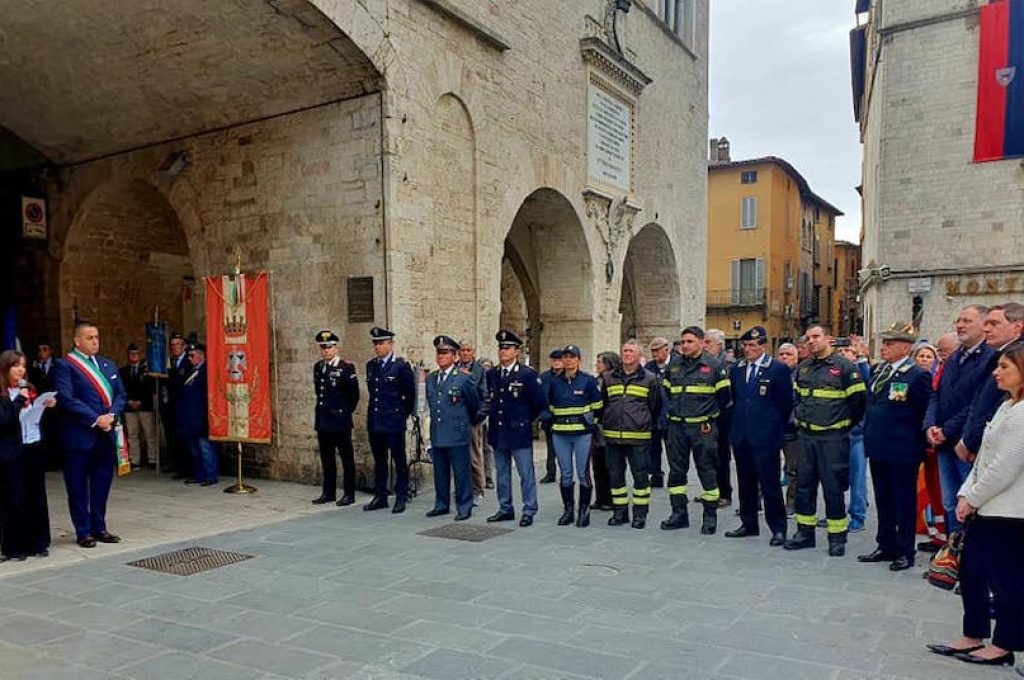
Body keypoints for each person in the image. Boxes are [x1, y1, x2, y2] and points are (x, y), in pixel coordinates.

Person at [927, 341, 1024, 667]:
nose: (997, 372)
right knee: (971, 571)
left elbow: (1005, 468)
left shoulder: (1023, 414)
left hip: (1009, 511)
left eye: (1005, 367)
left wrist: (973, 497)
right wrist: (967, 493)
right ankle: (972, 634)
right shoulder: (1006, 406)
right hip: (986, 505)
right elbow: (984, 457)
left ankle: (1005, 644)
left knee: (1005, 579)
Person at [784, 324, 866, 556]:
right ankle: (805, 533)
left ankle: (837, 538)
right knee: (804, 486)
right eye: (808, 338)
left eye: (816, 337)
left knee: (833, 488)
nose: (811, 341)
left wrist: (842, 426)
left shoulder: (845, 368)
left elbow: (858, 403)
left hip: (833, 438)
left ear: (828, 339)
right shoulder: (804, 368)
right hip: (806, 437)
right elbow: (797, 398)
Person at [857, 323, 932, 571]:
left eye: (890, 344)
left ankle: (905, 550)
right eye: (884, 343)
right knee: (884, 499)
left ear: (905, 347)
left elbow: (923, 412)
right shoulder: (880, 370)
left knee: (903, 502)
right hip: (878, 446)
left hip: (903, 449)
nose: (884, 347)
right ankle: (885, 544)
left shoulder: (917, 375)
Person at [53, 321, 127, 548]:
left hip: (105, 435)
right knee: (77, 486)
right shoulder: (65, 365)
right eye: (89, 337)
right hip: (79, 436)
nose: (94, 341)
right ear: (77, 341)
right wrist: (96, 419)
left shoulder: (108, 365)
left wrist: (112, 415)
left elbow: (121, 395)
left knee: (102, 482)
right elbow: (66, 398)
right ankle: (83, 530)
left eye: (96, 337)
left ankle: (99, 526)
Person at [924, 305, 995, 535]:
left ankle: (966, 558)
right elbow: (936, 393)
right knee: (949, 503)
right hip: (944, 443)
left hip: (966, 444)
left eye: (967, 321)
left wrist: (947, 429)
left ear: (983, 326)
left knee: (968, 504)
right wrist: (930, 426)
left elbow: (976, 404)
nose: (960, 325)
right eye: (958, 320)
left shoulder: (990, 358)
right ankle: (951, 557)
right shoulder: (954, 357)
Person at [725, 326, 792, 545]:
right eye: (745, 345)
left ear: (763, 346)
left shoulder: (777, 369)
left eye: (752, 345)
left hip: (766, 437)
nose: (748, 349)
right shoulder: (736, 369)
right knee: (746, 482)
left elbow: (785, 404)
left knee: (770, 483)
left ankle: (778, 528)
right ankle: (749, 523)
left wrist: (775, 431)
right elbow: (735, 399)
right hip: (742, 435)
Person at [660, 326, 731, 534]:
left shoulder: (714, 366)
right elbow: (665, 392)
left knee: (707, 471)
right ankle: (679, 513)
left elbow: (724, 397)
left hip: (702, 427)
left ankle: (710, 517)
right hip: (677, 427)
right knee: (676, 472)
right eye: (683, 342)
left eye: (690, 341)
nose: (685, 345)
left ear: (701, 342)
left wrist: (707, 414)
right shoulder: (674, 365)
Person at [484, 330, 546, 527]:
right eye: (501, 348)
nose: (503, 352)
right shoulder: (492, 374)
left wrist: (525, 420)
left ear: (517, 351)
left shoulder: (528, 375)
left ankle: (529, 509)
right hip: (498, 431)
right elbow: (490, 399)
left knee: (525, 473)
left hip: (518, 431)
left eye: (507, 348)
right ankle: (505, 508)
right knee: (502, 473)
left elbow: (539, 403)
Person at [0, 350, 54, 561]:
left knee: (36, 495)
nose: (21, 370)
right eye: (16, 366)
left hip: (32, 447)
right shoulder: (4, 395)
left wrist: (45, 405)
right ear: (5, 369)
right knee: (14, 498)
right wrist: (16, 403)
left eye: (23, 365)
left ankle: (38, 542)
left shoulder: (29, 390)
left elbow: (34, 418)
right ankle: (15, 545)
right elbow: (4, 421)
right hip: (11, 452)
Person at [601, 339, 661, 529]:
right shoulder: (609, 377)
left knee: (640, 477)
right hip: (613, 437)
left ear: (638, 356)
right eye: (624, 351)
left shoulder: (650, 378)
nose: (627, 354)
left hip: (639, 437)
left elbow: (655, 406)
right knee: (616, 477)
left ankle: (640, 515)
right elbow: (605, 403)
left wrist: (643, 422)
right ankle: (620, 513)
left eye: (631, 351)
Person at [957, 304, 1024, 467]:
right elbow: (979, 401)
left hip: (993, 449)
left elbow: (993, 405)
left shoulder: (1019, 356)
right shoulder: (996, 355)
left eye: (994, 324)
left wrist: (971, 441)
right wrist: (966, 439)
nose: (986, 329)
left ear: (1017, 326)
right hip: (975, 443)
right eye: (986, 323)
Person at [545, 344, 602, 526]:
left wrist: (590, 422)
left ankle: (583, 511)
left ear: (579, 360)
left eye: (572, 357)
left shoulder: (588, 381)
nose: (568, 360)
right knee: (566, 474)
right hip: (560, 434)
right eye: (566, 357)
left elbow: (598, 406)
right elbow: (549, 405)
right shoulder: (554, 381)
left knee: (583, 473)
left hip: (582, 434)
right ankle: (568, 509)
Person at [425, 335, 480, 521]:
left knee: (461, 472)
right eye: (439, 353)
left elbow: (474, 404)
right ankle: (441, 504)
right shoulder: (432, 378)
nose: (441, 356)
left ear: (455, 356)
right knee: (440, 472)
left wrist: (465, 423)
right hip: (439, 432)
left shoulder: (464, 378)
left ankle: (464, 506)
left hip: (457, 432)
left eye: (445, 353)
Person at [364, 326, 416, 513]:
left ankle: (401, 495)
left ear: (390, 344)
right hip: (376, 420)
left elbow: (409, 394)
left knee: (399, 460)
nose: (378, 347)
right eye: (376, 343)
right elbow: (373, 393)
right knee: (379, 461)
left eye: (382, 343)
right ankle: (381, 495)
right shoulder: (371, 365)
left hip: (394, 420)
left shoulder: (401, 366)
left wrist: (403, 414)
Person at [312, 330, 360, 506]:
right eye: (323, 348)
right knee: (327, 458)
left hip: (340, 421)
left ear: (336, 348)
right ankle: (328, 492)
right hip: (323, 420)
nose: (326, 351)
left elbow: (353, 395)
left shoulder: (346, 367)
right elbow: (319, 392)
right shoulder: (318, 367)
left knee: (346, 458)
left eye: (329, 347)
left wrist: (344, 411)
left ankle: (349, 493)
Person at [834, 337, 872, 533]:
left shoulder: (860, 370)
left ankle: (858, 515)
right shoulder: (834, 372)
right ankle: (835, 512)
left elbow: (867, 379)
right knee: (834, 477)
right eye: (840, 352)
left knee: (857, 477)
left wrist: (860, 356)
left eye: (847, 351)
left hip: (856, 433)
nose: (843, 355)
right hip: (837, 433)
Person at [178, 343, 218, 486]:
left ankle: (210, 475)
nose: (189, 359)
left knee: (205, 447)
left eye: (192, 355)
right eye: (189, 355)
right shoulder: (191, 371)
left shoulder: (207, 370)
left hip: (202, 416)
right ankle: (199, 474)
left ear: (201, 355)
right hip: (190, 417)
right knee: (194, 449)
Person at [457, 340, 489, 507]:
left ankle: (478, 489)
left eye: (468, 350)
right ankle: (462, 489)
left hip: (472, 419)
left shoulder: (479, 370)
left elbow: (485, 395)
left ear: (473, 352)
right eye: (462, 350)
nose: (465, 353)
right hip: (456, 419)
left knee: (473, 456)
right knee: (457, 456)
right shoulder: (454, 368)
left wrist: (478, 417)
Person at [704, 328, 734, 509]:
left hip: (723, 417)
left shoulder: (728, 365)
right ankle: (711, 490)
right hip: (707, 416)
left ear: (719, 345)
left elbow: (726, 394)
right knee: (707, 456)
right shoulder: (704, 363)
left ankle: (725, 493)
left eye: (708, 342)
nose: (705, 346)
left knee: (721, 455)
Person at [589, 352, 620, 512]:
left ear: (609, 363)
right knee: (598, 466)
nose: (597, 364)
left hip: (610, 429)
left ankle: (611, 499)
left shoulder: (614, 380)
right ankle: (600, 498)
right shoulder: (595, 380)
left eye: (600, 361)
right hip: (596, 431)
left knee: (610, 467)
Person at [119, 343, 157, 468]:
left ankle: (152, 459)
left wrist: (140, 401)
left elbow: (151, 388)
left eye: (136, 353)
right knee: (132, 435)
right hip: (129, 407)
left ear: (140, 355)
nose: (134, 356)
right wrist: (129, 401)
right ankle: (135, 460)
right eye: (131, 354)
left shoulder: (147, 370)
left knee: (149, 434)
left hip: (145, 406)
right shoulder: (123, 371)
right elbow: (121, 388)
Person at [645, 338, 672, 489]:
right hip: (654, 414)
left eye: (657, 350)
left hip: (671, 415)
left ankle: (675, 476)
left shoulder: (676, 365)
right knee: (653, 448)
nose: (655, 354)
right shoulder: (649, 367)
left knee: (672, 449)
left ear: (666, 349)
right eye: (652, 351)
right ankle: (656, 475)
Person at [164, 332, 191, 478]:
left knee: (183, 438)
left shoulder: (188, 361)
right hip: (171, 406)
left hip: (183, 406)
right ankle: (175, 463)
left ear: (184, 346)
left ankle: (185, 468)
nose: (175, 348)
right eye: (172, 345)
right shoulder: (170, 362)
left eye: (178, 344)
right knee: (172, 436)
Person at [777, 342, 800, 515]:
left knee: (793, 470)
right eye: (782, 354)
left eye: (789, 354)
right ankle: (760, 501)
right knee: (766, 466)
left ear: (796, 357)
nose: (785, 357)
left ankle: (791, 503)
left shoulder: (801, 375)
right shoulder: (772, 374)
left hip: (792, 430)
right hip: (773, 428)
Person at [538, 350, 564, 484]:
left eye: (559, 360)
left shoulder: (568, 376)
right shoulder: (544, 377)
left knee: (564, 448)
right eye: (554, 360)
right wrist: (542, 415)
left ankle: (566, 473)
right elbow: (539, 397)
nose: (556, 363)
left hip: (564, 417)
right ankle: (551, 472)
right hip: (549, 418)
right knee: (550, 447)